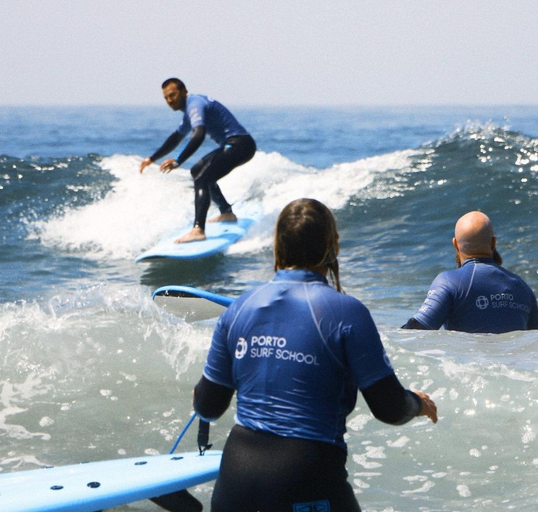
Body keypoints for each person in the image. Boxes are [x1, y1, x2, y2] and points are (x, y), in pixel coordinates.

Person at [193, 198, 438, 512]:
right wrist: (417, 403)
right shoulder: (346, 312)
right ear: (333, 244)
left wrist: (197, 395)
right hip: (306, 477)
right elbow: (389, 408)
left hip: (235, 481)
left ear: (276, 245)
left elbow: (208, 406)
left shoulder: (239, 307)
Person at [139, 78, 257, 243]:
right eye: (166, 98)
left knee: (203, 177)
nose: (169, 100)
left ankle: (198, 230)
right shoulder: (189, 111)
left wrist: (178, 160)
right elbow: (176, 137)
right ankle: (226, 213)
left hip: (240, 145)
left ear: (184, 92)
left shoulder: (195, 104)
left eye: (172, 95)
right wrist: (152, 158)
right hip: (235, 145)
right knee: (197, 171)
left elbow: (198, 134)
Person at [402, 211, 538, 333]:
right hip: (512, 363)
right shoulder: (523, 288)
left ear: (455, 244)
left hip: (469, 363)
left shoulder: (449, 282)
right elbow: (537, 343)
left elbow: (417, 329)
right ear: (493, 243)